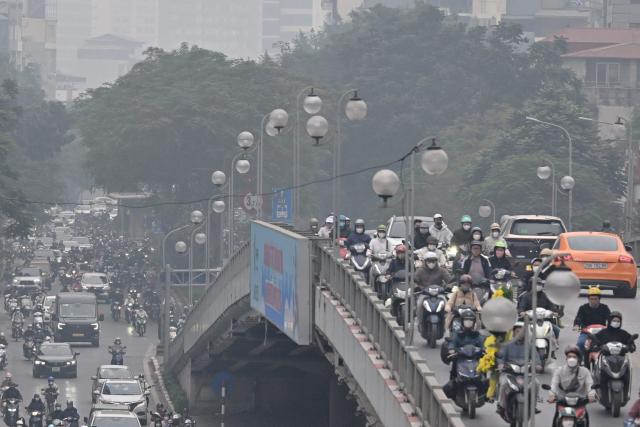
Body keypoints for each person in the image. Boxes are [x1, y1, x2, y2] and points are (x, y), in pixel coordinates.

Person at [496, 322, 542, 416]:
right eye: (518, 331)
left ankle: (533, 406)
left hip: (526, 374)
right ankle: (501, 405)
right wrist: (500, 365)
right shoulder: (507, 345)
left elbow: (536, 359)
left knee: (536, 383)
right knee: (504, 383)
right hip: (509, 373)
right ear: (514, 332)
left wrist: (538, 365)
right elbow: (500, 357)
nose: (520, 333)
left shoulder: (530, 346)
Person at [591, 311, 636, 401]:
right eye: (614, 320)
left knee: (627, 374)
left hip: (621, 358)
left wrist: (631, 346)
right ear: (610, 321)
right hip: (606, 358)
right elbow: (595, 341)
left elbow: (631, 343)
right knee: (599, 368)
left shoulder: (624, 333)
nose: (616, 322)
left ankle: (626, 394)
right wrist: (595, 345)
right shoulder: (603, 333)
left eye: (618, 321)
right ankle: (597, 383)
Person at [548, 346, 596, 424]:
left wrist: (591, 394)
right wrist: (551, 394)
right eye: (569, 357)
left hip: (579, 402)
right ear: (566, 359)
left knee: (585, 420)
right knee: (556, 420)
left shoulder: (585, 371)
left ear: (578, 359)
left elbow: (590, 384)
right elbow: (554, 384)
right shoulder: (559, 371)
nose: (571, 359)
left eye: (574, 357)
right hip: (562, 401)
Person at [443, 311, 485, 399]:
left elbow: (483, 344)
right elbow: (452, 342)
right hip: (460, 359)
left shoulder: (477, 335)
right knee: (454, 370)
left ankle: (484, 393)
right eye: (466, 320)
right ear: (462, 321)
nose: (468, 323)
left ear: (474, 322)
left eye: (470, 321)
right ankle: (453, 389)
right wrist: (451, 349)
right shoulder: (457, 334)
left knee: (484, 372)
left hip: (475, 359)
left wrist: (485, 350)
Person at [415, 252, 451, 324]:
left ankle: (447, 322)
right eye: (429, 261)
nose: (431, 263)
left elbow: (449, 280)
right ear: (425, 262)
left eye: (433, 261)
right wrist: (418, 287)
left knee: (446, 304)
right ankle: (419, 320)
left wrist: (448, 287)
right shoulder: (420, 271)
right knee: (419, 303)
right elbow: (414, 281)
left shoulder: (442, 270)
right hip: (424, 293)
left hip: (439, 293)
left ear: (436, 261)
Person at [573, 286, 611, 357]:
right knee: (580, 343)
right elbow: (578, 318)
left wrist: (610, 327)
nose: (593, 301)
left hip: (601, 333)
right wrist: (576, 325)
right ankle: (579, 361)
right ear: (588, 299)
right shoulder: (583, 308)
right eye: (591, 299)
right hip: (586, 333)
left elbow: (610, 319)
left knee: (610, 344)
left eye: (595, 299)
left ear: (599, 299)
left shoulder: (605, 308)